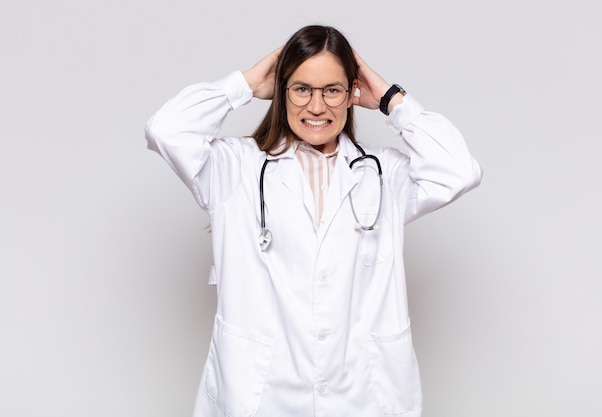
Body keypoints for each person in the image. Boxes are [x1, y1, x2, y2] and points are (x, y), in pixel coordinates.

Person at [145, 25, 482, 417]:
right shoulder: (235, 168)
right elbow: (165, 130)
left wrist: (392, 101)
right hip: (262, 393)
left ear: (352, 93)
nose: (317, 107)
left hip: (360, 393)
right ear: (282, 90)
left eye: (332, 90)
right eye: (302, 89)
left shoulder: (381, 173)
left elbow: (460, 171)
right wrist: (245, 84)